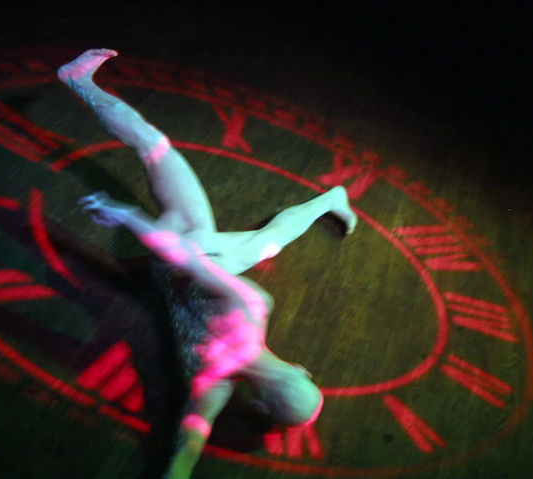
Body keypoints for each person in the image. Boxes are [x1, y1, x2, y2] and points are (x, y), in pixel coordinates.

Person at [59, 49, 357, 479]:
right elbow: (186, 451)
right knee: (266, 243)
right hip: (169, 270)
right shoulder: (211, 389)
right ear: (259, 404)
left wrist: (129, 216)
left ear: (300, 369)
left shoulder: (250, 309)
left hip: (188, 244)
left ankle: (78, 81)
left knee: (153, 145)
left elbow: (187, 257)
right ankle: (332, 200)